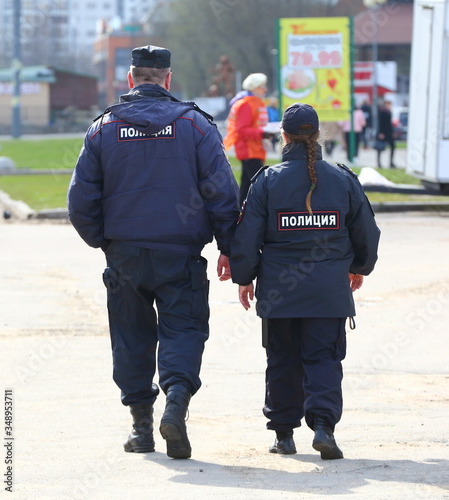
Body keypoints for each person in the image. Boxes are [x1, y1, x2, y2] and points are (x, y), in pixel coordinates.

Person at [67, 45, 240, 459]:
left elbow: (80, 202)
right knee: (183, 330)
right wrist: (230, 247)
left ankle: (142, 428)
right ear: (167, 79)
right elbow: (221, 192)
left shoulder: (103, 129)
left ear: (130, 79)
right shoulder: (196, 127)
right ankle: (176, 405)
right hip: (180, 254)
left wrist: (104, 242)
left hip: (125, 255)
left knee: (131, 337)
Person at [229, 103, 380, 460]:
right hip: (328, 291)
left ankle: (284, 435)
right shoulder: (343, 179)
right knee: (324, 358)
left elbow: (247, 235)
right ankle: (324, 427)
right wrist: (359, 267)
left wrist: (244, 277)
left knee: (281, 359)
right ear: (317, 136)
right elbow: (367, 233)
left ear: (283, 137)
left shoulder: (266, 180)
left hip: (280, 292)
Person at [223, 73, 272, 204]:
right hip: (249, 150)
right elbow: (242, 130)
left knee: (246, 184)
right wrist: (262, 134)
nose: (265, 89)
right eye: (262, 86)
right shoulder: (246, 104)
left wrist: (265, 134)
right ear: (254, 88)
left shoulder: (255, 102)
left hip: (255, 149)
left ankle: (240, 209)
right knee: (259, 183)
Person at [376, 100, 396, 168]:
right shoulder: (382, 112)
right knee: (380, 148)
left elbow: (390, 124)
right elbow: (380, 123)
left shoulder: (389, 112)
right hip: (383, 132)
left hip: (389, 132)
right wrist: (380, 132)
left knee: (393, 146)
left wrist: (392, 132)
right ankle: (379, 163)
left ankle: (391, 162)